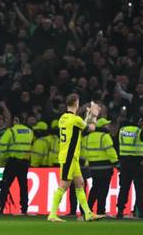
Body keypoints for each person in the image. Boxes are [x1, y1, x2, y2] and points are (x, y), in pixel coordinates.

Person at [47, 94, 100, 222]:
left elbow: (79, 127)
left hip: (70, 157)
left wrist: (88, 117)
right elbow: (91, 128)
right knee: (64, 184)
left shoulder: (63, 118)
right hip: (69, 157)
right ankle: (52, 214)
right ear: (76, 103)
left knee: (80, 183)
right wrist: (94, 115)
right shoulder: (75, 120)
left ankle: (88, 213)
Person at [116, 115, 143, 218]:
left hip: (124, 161)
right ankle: (141, 211)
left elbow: (116, 144)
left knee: (124, 187)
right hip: (137, 162)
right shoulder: (139, 131)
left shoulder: (122, 130)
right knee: (140, 187)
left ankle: (120, 210)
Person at [0, 117, 34, 215]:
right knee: (23, 186)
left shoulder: (11, 131)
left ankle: (0, 208)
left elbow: (2, 146)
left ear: (15, 121)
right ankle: (24, 209)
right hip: (24, 163)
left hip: (13, 162)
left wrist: (3, 159)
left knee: (5, 185)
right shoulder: (29, 131)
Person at [82, 118, 118, 217]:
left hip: (93, 167)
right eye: (107, 125)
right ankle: (100, 211)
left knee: (94, 188)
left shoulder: (88, 137)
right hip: (105, 167)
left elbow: (85, 153)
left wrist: (88, 164)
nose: (109, 126)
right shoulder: (105, 136)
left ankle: (88, 209)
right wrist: (116, 162)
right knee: (103, 190)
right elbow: (110, 151)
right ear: (102, 126)